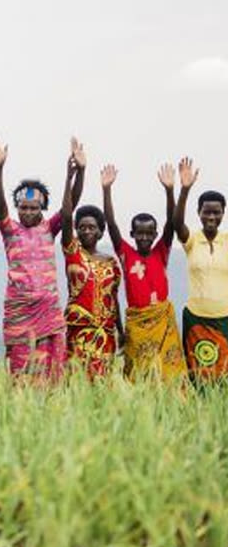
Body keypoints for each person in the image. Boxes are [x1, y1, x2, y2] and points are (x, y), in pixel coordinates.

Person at [0, 136, 85, 381]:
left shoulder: (49, 229)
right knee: (21, 374)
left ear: (42, 209)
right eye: (24, 208)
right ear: (18, 208)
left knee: (52, 372)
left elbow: (70, 207)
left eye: (34, 208)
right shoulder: (10, 230)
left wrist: (74, 175)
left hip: (48, 311)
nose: (28, 212)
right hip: (20, 311)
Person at [102, 162, 186, 381]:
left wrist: (170, 191)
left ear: (156, 234)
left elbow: (171, 223)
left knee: (169, 377)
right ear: (132, 234)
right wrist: (106, 190)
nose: (145, 238)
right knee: (139, 378)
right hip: (137, 326)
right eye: (140, 233)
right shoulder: (127, 254)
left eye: (149, 233)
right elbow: (111, 224)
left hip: (163, 324)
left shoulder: (161, 251)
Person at [61, 157, 122, 378]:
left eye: (92, 227)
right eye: (82, 227)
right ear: (76, 230)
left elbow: (113, 299)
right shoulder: (73, 252)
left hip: (105, 334)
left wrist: (121, 332)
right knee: (76, 385)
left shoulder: (111, 262)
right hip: (78, 331)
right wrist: (70, 178)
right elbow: (66, 216)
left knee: (102, 387)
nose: (86, 231)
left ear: (100, 232)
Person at [173, 156, 228, 382]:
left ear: (224, 213)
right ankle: (198, 415)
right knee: (198, 377)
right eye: (207, 212)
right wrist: (185, 189)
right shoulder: (192, 240)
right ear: (199, 212)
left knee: (223, 377)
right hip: (196, 319)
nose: (211, 217)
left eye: (217, 212)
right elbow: (176, 224)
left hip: (224, 319)